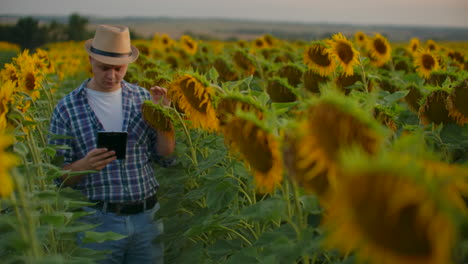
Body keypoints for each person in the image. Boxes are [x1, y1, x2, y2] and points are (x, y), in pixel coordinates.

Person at [48, 24, 176, 263]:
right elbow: (56, 175)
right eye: (104, 68)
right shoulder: (67, 108)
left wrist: (164, 119)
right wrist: (85, 165)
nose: (111, 76)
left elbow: (165, 156)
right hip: (97, 221)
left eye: (119, 69)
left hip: (147, 219)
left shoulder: (142, 99)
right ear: (90, 60)